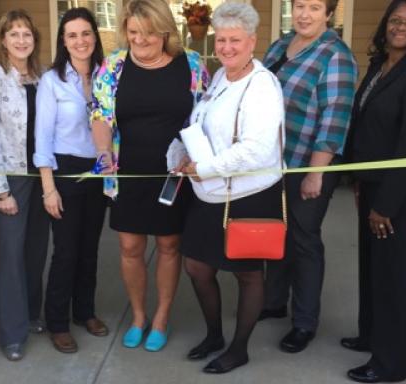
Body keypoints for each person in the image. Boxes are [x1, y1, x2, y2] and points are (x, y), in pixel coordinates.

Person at [172, 2, 285, 374]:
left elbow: (256, 149)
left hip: (249, 193)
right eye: (221, 39)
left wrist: (205, 168)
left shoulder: (263, 86)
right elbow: (200, 120)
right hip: (210, 192)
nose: (226, 47)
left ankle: (239, 348)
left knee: (247, 272)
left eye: (235, 40)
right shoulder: (220, 76)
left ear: (252, 42)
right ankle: (214, 335)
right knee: (198, 267)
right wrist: (180, 149)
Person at [91, 0, 208, 352]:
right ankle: (139, 316)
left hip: (174, 174)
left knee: (170, 244)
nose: (140, 40)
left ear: (165, 31)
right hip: (127, 173)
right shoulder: (113, 66)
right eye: (133, 32)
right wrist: (103, 153)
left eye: (149, 33)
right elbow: (100, 115)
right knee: (130, 246)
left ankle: (161, 317)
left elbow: (204, 117)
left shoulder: (191, 64)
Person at [342, 0, 406, 382]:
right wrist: (359, 182)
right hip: (374, 182)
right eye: (395, 20)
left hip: (403, 190)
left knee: (394, 274)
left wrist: (384, 205)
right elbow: (367, 126)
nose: (401, 27)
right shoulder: (380, 66)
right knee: (372, 266)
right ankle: (371, 336)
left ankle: (390, 364)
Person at [261, 0, 358, 353]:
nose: (304, 14)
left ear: (329, 13)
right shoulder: (281, 44)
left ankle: (304, 323)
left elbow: (335, 119)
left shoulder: (336, 56)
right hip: (272, 162)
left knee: (303, 239)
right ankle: (273, 302)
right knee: (276, 233)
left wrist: (315, 173)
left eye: (314, 7)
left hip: (308, 163)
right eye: (299, 5)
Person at [34, 7, 108, 354]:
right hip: (63, 171)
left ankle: (85, 311)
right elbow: (42, 137)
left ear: (95, 36)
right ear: (64, 41)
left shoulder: (107, 75)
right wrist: (48, 188)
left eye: (86, 33)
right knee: (66, 251)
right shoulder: (52, 81)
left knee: (90, 249)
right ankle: (58, 322)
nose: (80, 41)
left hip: (98, 171)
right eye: (72, 35)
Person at [0, 9, 49, 361]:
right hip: (11, 178)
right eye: (14, 34)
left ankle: (32, 314)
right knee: (11, 255)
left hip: (42, 175)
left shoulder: (42, 76)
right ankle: (12, 333)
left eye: (27, 34)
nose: (21, 40)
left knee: (36, 250)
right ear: (3, 40)